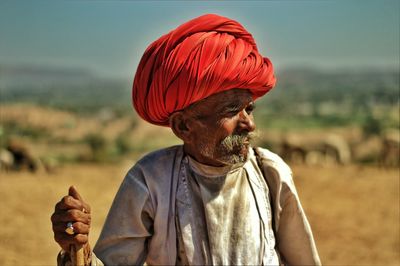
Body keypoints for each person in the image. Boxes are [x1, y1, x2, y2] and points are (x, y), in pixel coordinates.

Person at [51, 14, 321, 265]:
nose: (249, 123)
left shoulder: (270, 173)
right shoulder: (150, 180)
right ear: (183, 126)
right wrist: (76, 248)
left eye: (249, 109)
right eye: (230, 111)